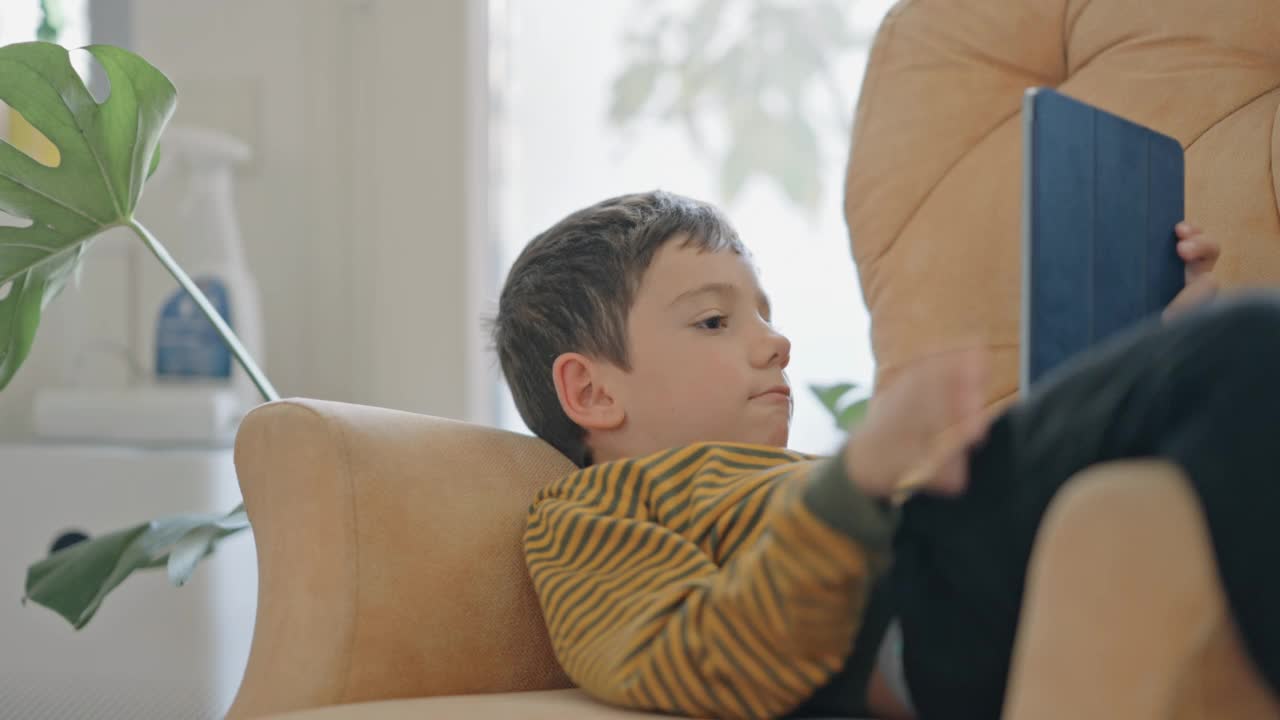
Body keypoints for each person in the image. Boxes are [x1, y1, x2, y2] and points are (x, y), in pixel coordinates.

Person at [493, 190, 1274, 719]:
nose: (776, 344)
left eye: (763, 315)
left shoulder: (800, 477)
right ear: (592, 393)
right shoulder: (589, 512)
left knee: (1234, 359)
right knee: (1246, 342)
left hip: (973, 566)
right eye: (712, 323)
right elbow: (694, 659)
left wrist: (1157, 351)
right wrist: (857, 483)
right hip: (908, 620)